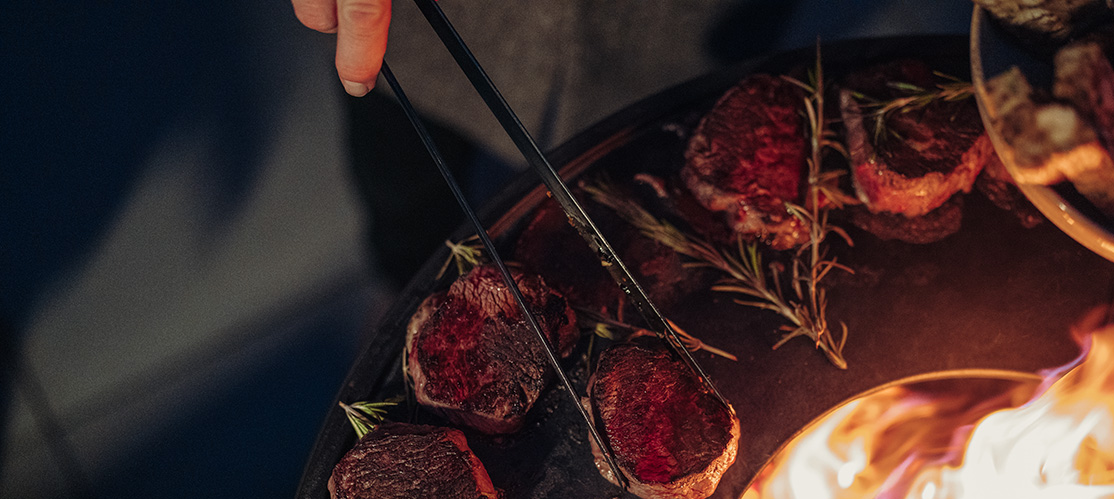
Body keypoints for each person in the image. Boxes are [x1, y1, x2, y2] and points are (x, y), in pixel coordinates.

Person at [289, 0, 969, 285]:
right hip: (424, 32)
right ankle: (399, 295)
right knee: (406, 202)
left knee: (667, 190)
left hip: (672, 32)